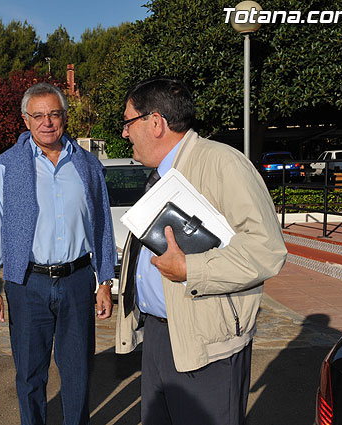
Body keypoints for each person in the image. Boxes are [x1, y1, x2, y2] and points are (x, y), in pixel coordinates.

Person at [115, 78, 287, 425]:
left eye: (128, 122)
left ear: (156, 122)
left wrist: (192, 269)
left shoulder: (222, 163)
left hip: (209, 343)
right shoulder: (161, 174)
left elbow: (267, 250)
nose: (124, 133)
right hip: (160, 335)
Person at [0, 82, 116, 425]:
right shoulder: (4, 168)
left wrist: (104, 281)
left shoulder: (87, 166)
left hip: (78, 280)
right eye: (38, 115)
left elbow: (101, 224)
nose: (47, 122)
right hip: (28, 284)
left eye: (54, 114)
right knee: (29, 375)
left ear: (65, 117)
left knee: (78, 372)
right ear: (26, 121)